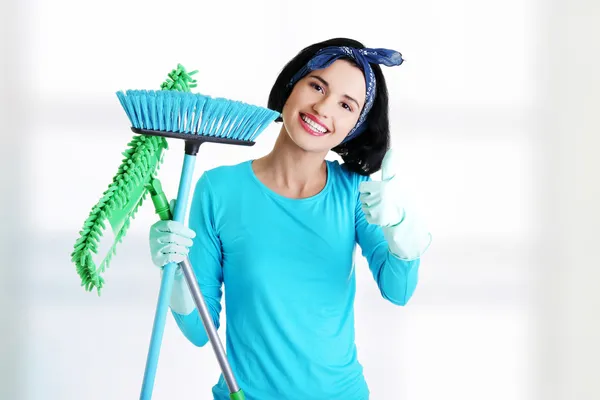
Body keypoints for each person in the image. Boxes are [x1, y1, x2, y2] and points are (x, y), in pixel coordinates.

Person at [148, 37, 432, 399]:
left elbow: (399, 291)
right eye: (317, 86)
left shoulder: (357, 195)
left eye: (346, 105)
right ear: (290, 86)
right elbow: (199, 331)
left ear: (356, 126)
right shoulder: (218, 190)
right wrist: (172, 272)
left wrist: (401, 228)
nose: (323, 108)